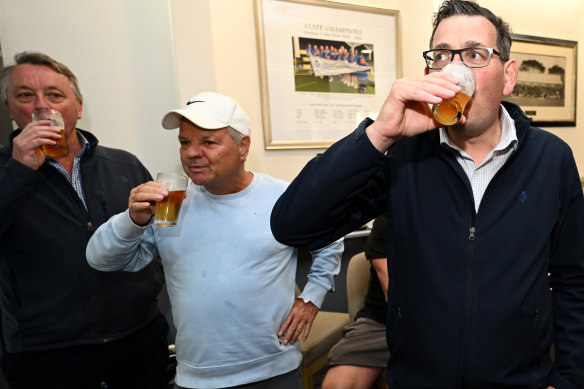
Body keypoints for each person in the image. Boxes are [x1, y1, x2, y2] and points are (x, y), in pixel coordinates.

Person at [270, 1, 584, 388]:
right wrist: (379, 134)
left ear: (508, 75)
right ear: (429, 72)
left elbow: (573, 279)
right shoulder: (401, 154)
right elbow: (293, 226)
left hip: (520, 378)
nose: (456, 70)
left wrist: (569, 379)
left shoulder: (551, 159)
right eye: (442, 57)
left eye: (474, 54)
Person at [85, 91, 344, 389]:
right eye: (185, 142)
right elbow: (100, 259)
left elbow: (330, 239)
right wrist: (131, 220)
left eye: (208, 142)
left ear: (242, 146)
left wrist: (312, 297)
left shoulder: (281, 196)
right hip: (196, 377)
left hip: (274, 371)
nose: (192, 152)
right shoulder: (170, 203)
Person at [0, 51, 169, 388]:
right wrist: (19, 171)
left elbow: (159, 238)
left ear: (78, 107)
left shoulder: (125, 164)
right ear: (9, 108)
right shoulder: (6, 172)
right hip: (46, 352)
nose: (40, 107)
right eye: (25, 95)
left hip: (137, 338)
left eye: (54, 95)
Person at [322, 214, 389, 389]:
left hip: (441, 320)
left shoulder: (458, 221)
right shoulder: (390, 220)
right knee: (335, 385)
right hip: (383, 323)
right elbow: (395, 296)